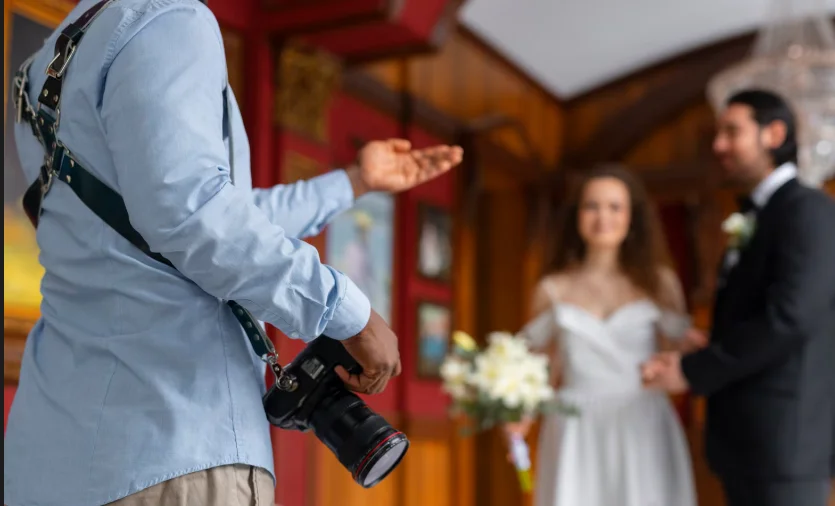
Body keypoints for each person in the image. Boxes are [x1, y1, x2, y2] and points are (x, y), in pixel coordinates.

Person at [3, 0, 463, 505]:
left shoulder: (44, 65)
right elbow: (195, 216)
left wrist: (354, 182)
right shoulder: (170, 17)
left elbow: (195, 214)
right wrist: (351, 316)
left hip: (49, 456)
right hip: (174, 445)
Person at [642, 89, 835, 506]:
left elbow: (791, 317)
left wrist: (694, 371)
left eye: (732, 132)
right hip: (750, 445)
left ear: (774, 134)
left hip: (786, 445)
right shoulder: (758, 215)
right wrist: (710, 343)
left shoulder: (808, 210)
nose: (719, 145)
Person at [506, 166, 704, 506]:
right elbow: (539, 368)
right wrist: (517, 416)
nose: (603, 217)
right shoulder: (552, 289)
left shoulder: (659, 283)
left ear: (632, 217)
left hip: (643, 423)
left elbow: (678, 354)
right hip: (575, 428)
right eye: (592, 206)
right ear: (576, 215)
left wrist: (688, 353)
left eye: (615, 207)